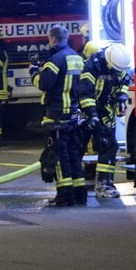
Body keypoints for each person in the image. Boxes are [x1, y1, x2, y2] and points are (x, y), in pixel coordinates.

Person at [31, 25, 87, 206]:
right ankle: (80, 194)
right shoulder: (76, 58)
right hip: (73, 115)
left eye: (49, 39)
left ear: (53, 39)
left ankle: (65, 196)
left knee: (59, 157)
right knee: (73, 156)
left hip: (57, 117)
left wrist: (34, 73)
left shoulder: (55, 60)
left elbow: (44, 83)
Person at [79, 42, 133, 199]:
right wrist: (92, 115)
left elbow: (124, 82)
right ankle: (73, 187)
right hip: (86, 111)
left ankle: (105, 185)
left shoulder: (119, 65)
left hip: (106, 111)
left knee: (109, 146)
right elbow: (85, 93)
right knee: (77, 148)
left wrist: (122, 97)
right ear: (109, 63)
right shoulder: (92, 65)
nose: (117, 72)